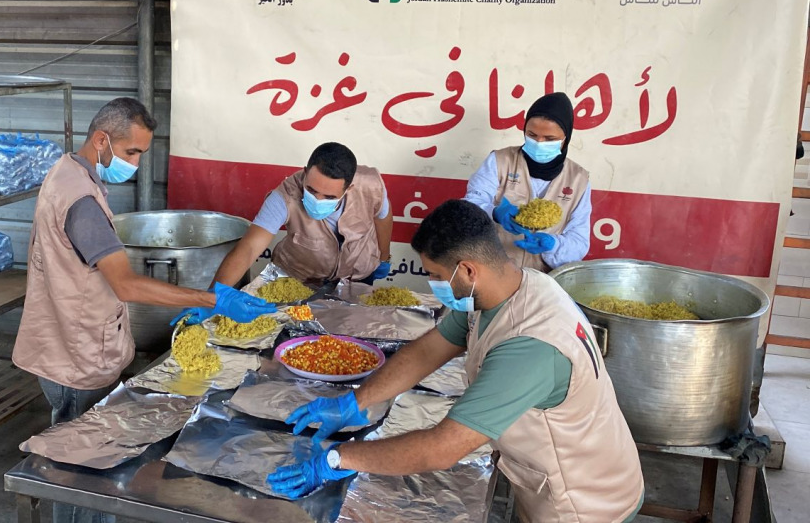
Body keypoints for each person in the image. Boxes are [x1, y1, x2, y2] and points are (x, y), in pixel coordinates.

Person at [268, 200, 644, 523]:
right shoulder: (506, 288)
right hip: (547, 476)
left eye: (435, 276)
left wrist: (337, 458)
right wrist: (355, 401)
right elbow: (428, 350)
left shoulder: (531, 347)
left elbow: (441, 448)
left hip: (584, 503)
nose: (432, 283)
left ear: (467, 270)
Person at [13, 98, 274, 523]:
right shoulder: (82, 202)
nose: (135, 163)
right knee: (79, 470)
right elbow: (126, 284)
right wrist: (212, 299)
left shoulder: (66, 173)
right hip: (76, 355)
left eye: (140, 154)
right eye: (131, 151)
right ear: (101, 140)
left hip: (64, 342)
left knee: (80, 456)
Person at [211, 142, 393, 286]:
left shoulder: (370, 185)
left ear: (349, 189)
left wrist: (384, 257)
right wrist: (214, 296)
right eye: (311, 190)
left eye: (329, 197)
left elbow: (382, 215)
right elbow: (249, 247)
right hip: (301, 279)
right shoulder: (284, 196)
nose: (318, 200)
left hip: (356, 276)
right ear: (305, 173)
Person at [464, 92, 590, 272]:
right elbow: (468, 207)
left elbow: (579, 242)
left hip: (544, 280)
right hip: (493, 272)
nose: (539, 142)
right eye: (532, 135)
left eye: (549, 139)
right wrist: (494, 212)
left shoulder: (578, 179)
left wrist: (553, 245)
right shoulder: (499, 161)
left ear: (565, 139)